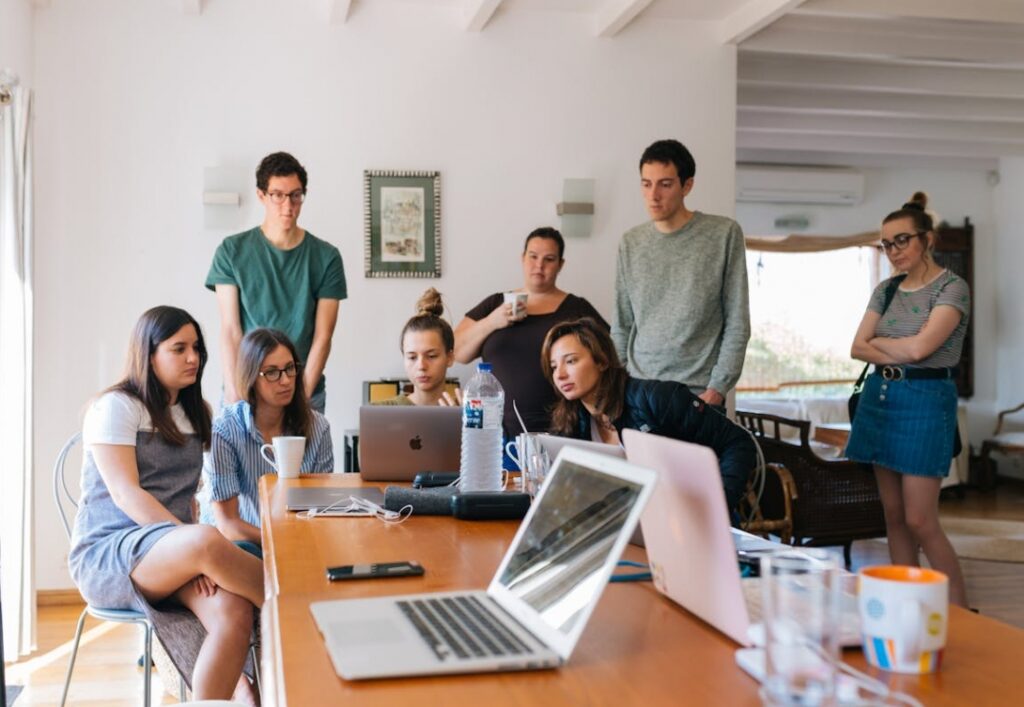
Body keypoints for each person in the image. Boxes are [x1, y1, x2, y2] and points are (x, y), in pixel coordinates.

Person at [69, 306, 262, 702]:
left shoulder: (195, 413)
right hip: (111, 554)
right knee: (208, 541)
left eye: (197, 348)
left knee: (233, 613)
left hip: (175, 553)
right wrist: (192, 547)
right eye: (179, 348)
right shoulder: (117, 407)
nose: (193, 358)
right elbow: (127, 494)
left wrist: (191, 550)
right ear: (149, 353)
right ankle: (302, 610)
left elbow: (187, 498)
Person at [846, 192, 969, 607]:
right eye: (886, 243)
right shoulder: (886, 289)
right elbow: (857, 348)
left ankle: (960, 611)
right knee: (894, 518)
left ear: (927, 240)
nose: (893, 251)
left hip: (926, 402)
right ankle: (906, 605)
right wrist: (895, 345)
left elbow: (921, 351)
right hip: (881, 398)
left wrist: (882, 342)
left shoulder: (953, 288)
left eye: (902, 240)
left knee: (920, 519)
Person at [542, 317, 756, 513]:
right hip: (634, 523)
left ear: (602, 361)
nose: (559, 375)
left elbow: (738, 442)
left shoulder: (658, 398)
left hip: (690, 519)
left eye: (571, 361)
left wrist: (716, 505)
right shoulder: (572, 421)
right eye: (553, 366)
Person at [612, 139, 750, 408]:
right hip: (639, 391)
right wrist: (618, 385)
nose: (653, 195)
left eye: (665, 184)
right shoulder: (631, 242)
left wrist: (717, 389)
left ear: (687, 186)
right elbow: (622, 324)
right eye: (646, 183)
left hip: (699, 395)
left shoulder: (723, 234)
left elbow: (737, 321)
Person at [206, 151, 348, 413]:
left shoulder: (327, 257)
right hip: (247, 389)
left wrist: (301, 400)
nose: (288, 205)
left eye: (295, 195)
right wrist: (235, 394)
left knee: (304, 456)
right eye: (278, 195)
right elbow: (230, 330)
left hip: (304, 390)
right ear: (262, 195)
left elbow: (323, 337)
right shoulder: (232, 251)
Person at [454, 227, 608, 440]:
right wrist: (492, 322)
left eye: (549, 259)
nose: (539, 265)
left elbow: (608, 357)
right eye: (533, 256)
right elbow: (457, 352)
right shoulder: (495, 303)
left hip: (563, 430)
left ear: (560, 265)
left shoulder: (577, 308)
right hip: (495, 432)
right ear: (522, 258)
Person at [201, 328, 333, 557]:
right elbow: (228, 525)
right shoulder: (224, 429)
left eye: (290, 369)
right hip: (241, 545)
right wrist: (280, 539)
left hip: (300, 541)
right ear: (251, 377)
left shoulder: (318, 427)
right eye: (272, 372)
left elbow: (321, 509)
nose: (285, 380)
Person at [375, 288, 457, 406]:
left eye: (431, 356)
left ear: (449, 357)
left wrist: (460, 422)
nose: (421, 366)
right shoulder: (379, 411)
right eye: (412, 357)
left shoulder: (466, 414)